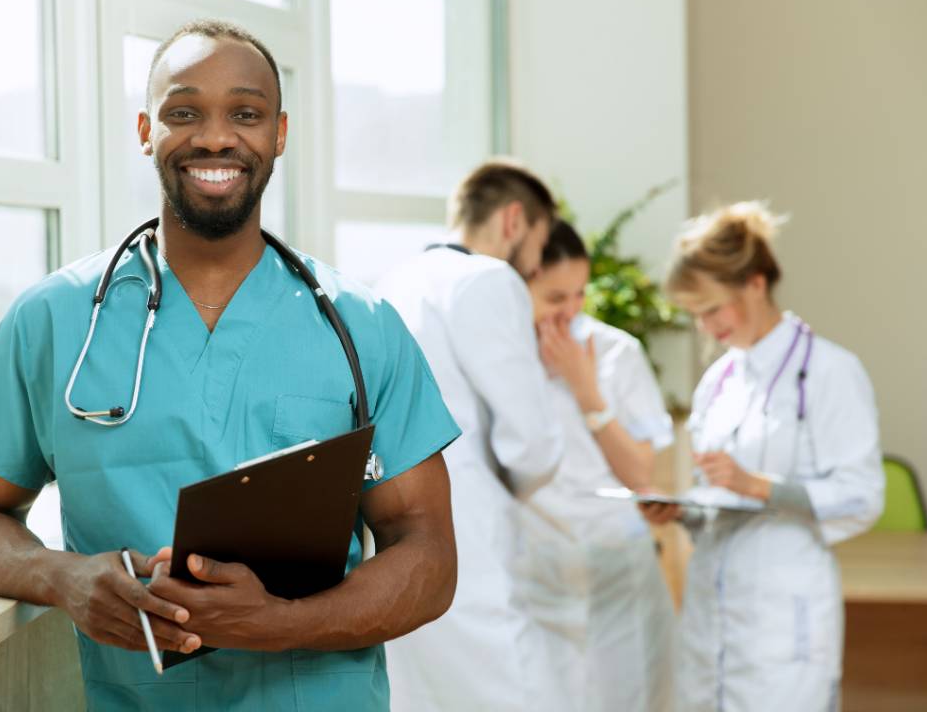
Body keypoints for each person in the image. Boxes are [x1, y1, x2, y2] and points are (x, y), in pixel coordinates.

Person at [0, 19, 462, 711]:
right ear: (145, 130)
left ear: (279, 133)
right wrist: (61, 577)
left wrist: (284, 624)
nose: (215, 137)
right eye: (183, 112)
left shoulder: (361, 328)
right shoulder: (55, 321)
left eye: (243, 114)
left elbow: (427, 555)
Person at [641, 202, 884, 711]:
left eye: (713, 310)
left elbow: (863, 496)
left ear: (754, 283)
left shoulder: (829, 371)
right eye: (696, 316)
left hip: (784, 618)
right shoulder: (719, 382)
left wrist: (761, 486)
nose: (706, 328)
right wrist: (683, 512)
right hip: (712, 612)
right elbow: (719, 498)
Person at [376, 159, 564, 712]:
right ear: (514, 221)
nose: (535, 263)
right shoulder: (489, 279)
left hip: (392, 530)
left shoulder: (390, 282)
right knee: (512, 690)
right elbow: (530, 444)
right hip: (470, 529)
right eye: (540, 243)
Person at [516, 219, 676, 711]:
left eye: (579, 295)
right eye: (554, 297)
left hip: (617, 572)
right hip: (532, 577)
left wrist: (586, 389)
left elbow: (642, 476)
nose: (570, 311)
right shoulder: (502, 359)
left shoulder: (615, 353)